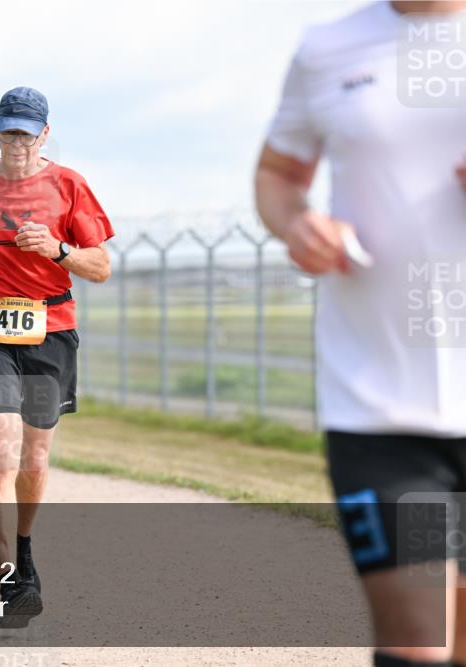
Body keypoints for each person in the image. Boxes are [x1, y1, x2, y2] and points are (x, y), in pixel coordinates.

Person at [255, 3, 466, 665]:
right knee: (419, 638)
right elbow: (279, 175)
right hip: (380, 406)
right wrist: (297, 224)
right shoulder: (328, 47)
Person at [0, 87, 113, 628]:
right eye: (9, 130)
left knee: (35, 461)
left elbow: (101, 265)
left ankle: (26, 550)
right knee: (2, 451)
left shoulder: (69, 185)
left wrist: (58, 250)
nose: (17, 141)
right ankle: (11, 581)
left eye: (26, 133)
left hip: (50, 329)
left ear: (45, 134)